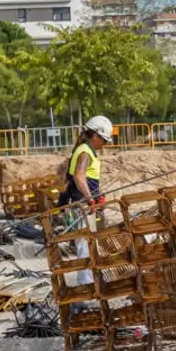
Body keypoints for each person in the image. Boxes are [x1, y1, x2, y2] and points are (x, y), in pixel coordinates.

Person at [57, 115, 112, 288]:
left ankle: (89, 281)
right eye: (103, 140)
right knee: (85, 245)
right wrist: (90, 199)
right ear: (95, 135)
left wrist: (97, 195)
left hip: (82, 204)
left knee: (87, 243)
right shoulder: (85, 151)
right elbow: (80, 177)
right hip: (81, 205)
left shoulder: (84, 150)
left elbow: (86, 179)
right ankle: (86, 284)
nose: (104, 145)